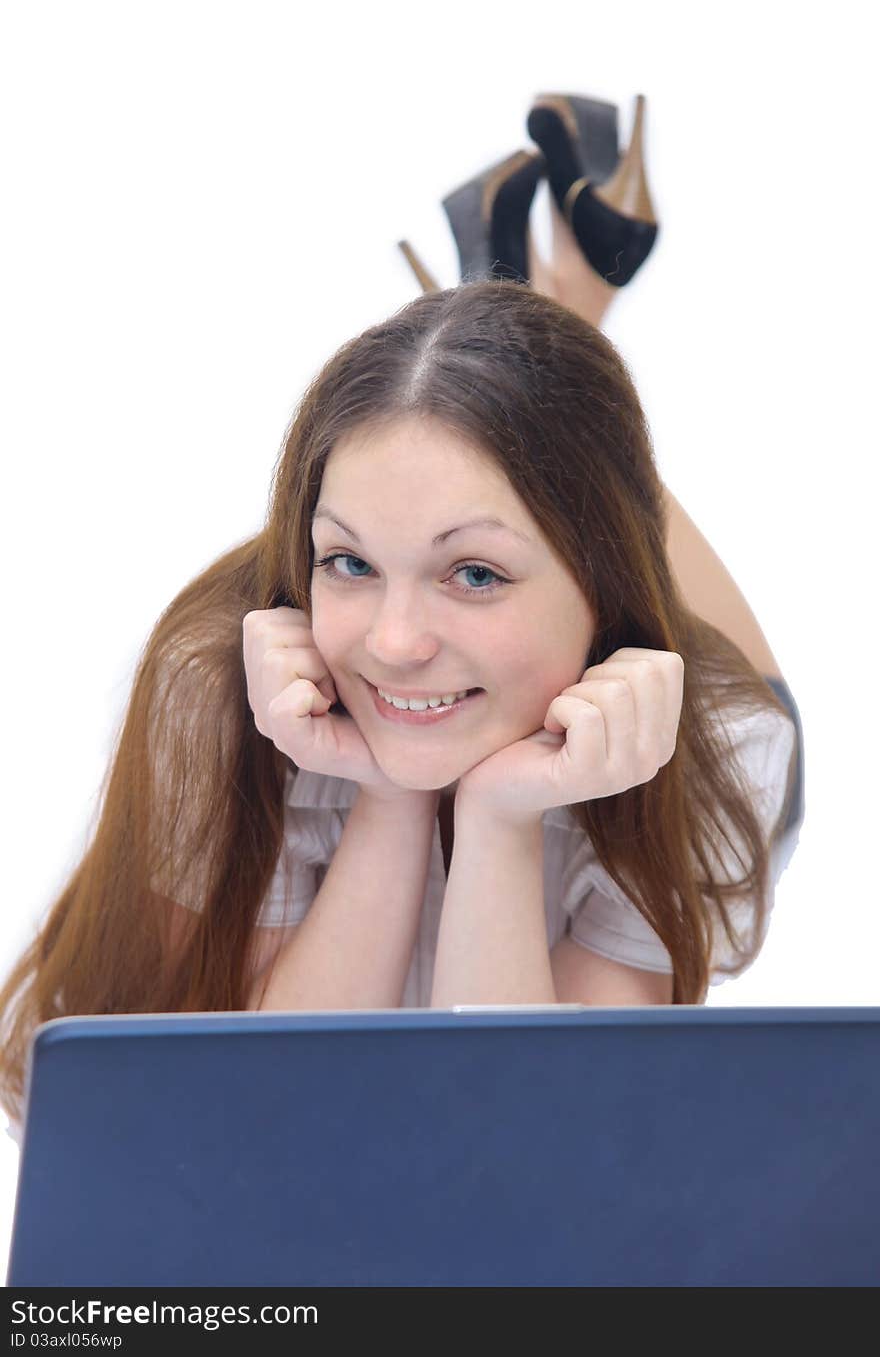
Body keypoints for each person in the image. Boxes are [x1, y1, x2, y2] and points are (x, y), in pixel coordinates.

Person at [0, 93, 802, 1136]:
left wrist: (506, 817)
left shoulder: (725, 747)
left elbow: (528, 1139)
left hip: (674, 701)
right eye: (348, 561)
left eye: (473, 575)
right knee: (519, 453)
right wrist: (383, 789)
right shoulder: (226, 686)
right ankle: (522, 308)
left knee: (591, 472)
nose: (388, 643)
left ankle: (534, 307)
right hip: (506, 631)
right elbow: (275, 1116)